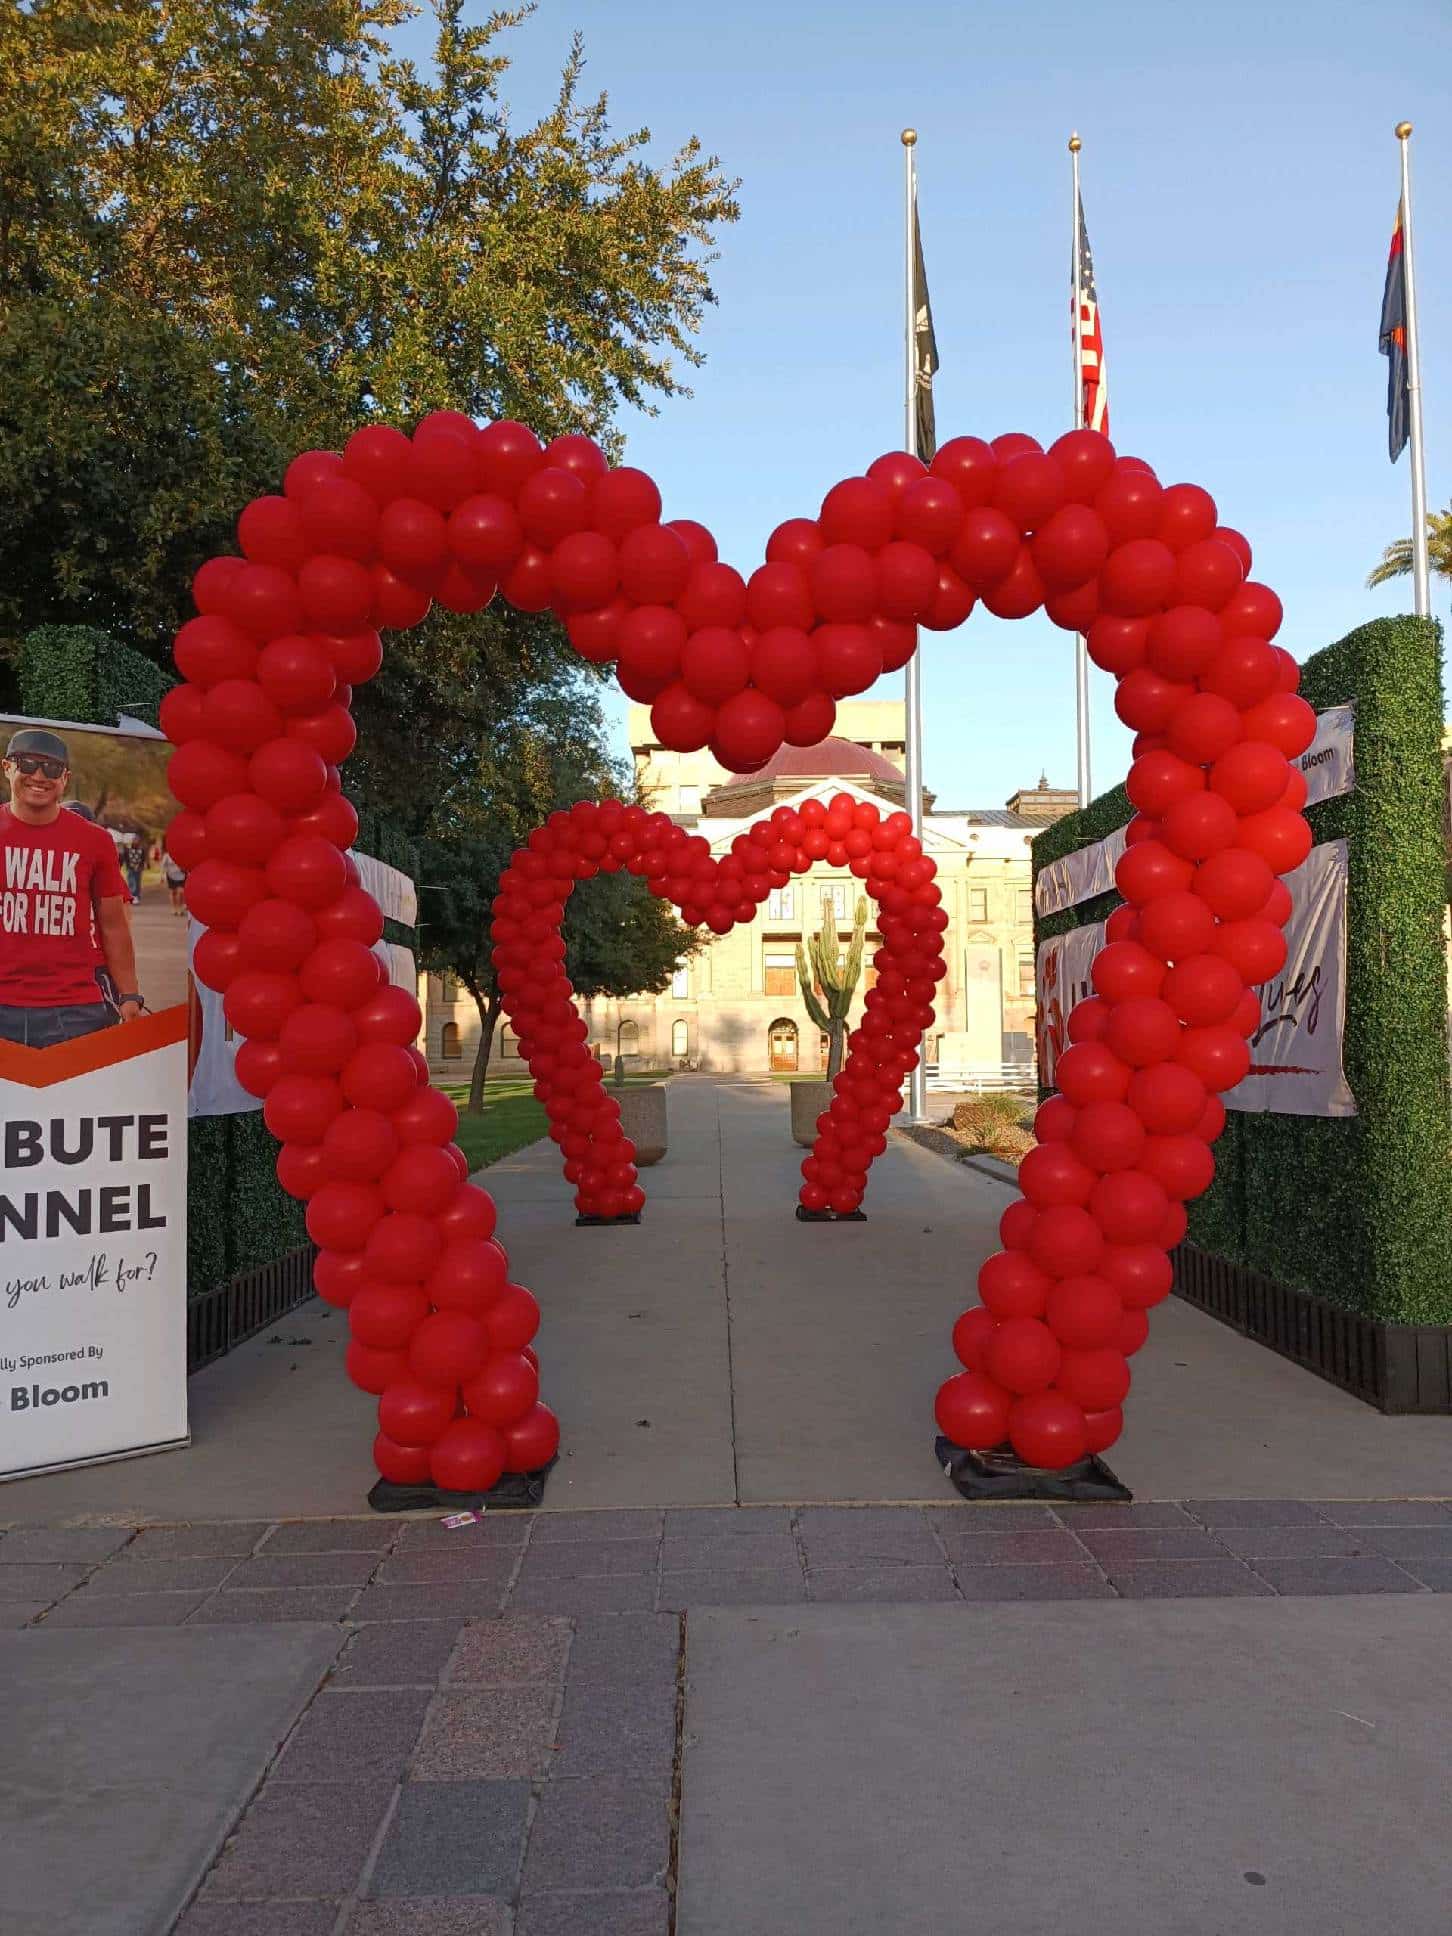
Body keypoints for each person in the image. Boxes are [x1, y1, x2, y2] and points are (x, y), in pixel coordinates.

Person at [0, 727, 144, 1047]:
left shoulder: (95, 840)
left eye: (52, 768)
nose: (39, 776)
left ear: (65, 778)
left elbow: (113, 925)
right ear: (7, 767)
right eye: (27, 764)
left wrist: (129, 994)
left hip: (75, 1010)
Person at [163, 846, 187, 915]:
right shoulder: (167, 855)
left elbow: (187, 864)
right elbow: (163, 866)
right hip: (171, 876)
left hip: (181, 876)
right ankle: (174, 908)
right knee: (173, 892)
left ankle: (180, 908)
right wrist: (162, 876)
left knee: (181, 892)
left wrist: (184, 868)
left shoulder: (182, 855)